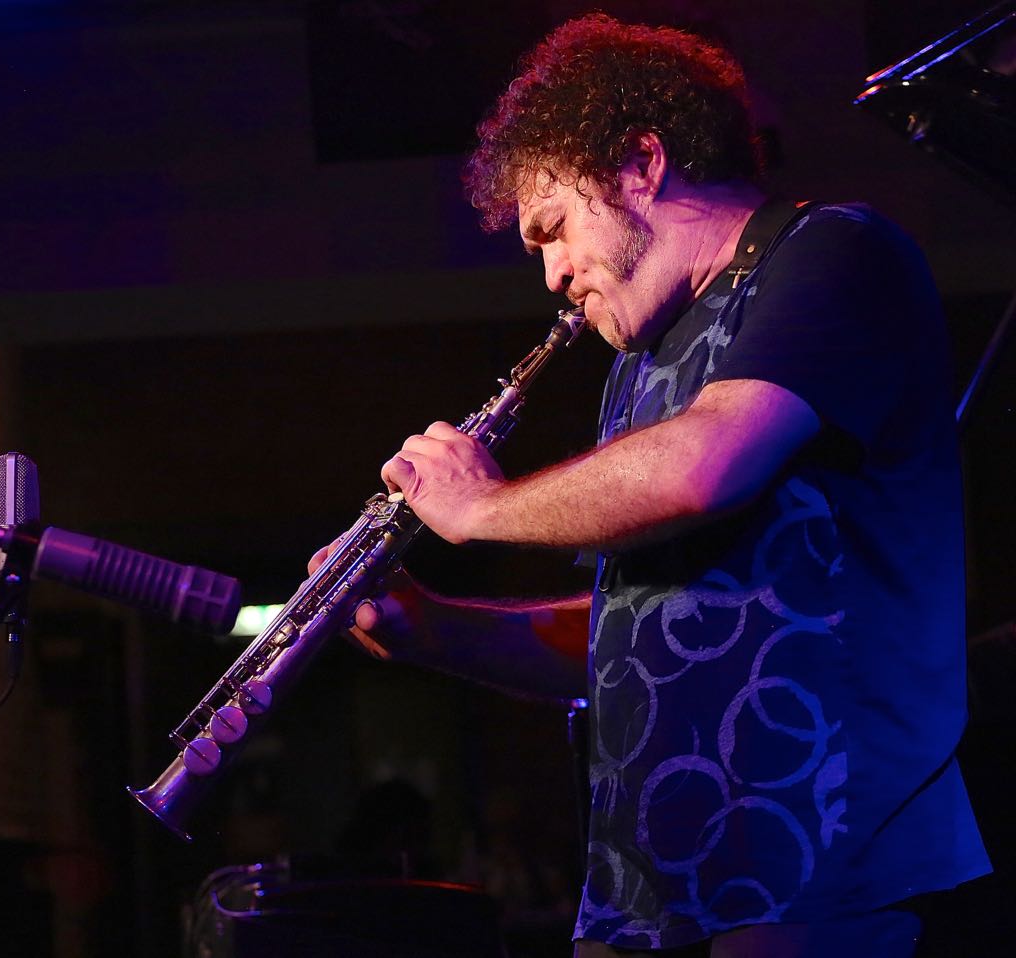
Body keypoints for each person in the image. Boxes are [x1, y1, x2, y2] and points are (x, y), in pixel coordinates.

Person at [308, 12, 991, 958]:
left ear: (641, 163)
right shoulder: (641, 365)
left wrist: (482, 507)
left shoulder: (833, 253)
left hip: (820, 859)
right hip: (653, 893)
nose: (553, 275)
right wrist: (434, 628)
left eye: (553, 230)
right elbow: (638, 627)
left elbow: (709, 465)